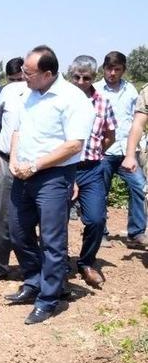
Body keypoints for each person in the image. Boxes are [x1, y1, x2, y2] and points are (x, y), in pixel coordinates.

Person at [5, 45, 93, 324]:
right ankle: (34, 281)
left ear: (48, 73)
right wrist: (15, 159)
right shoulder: (27, 95)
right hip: (23, 175)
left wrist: (35, 165)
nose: (23, 75)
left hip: (53, 178)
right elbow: (18, 130)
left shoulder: (73, 99)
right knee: (18, 232)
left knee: (53, 241)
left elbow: (73, 145)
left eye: (28, 72)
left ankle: (49, 298)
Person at [68, 55, 116, 289]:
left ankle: (86, 262)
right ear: (70, 75)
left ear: (93, 78)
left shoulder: (103, 103)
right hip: (64, 169)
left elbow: (110, 135)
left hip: (92, 169)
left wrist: (96, 152)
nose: (80, 81)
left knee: (96, 219)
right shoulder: (61, 100)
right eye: (76, 77)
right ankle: (56, 263)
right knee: (54, 220)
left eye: (86, 77)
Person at [0, 57, 27, 284]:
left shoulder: (45, 95)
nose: (18, 82)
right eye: (13, 79)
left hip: (35, 165)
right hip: (4, 159)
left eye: (21, 78)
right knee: (0, 218)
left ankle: (33, 267)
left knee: (31, 218)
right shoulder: (2, 93)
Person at [96, 51, 147, 245]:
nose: (113, 73)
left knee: (139, 187)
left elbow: (138, 119)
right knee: (99, 192)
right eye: (109, 68)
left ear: (123, 70)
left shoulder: (132, 90)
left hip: (127, 152)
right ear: (104, 69)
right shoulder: (95, 89)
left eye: (117, 69)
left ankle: (136, 232)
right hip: (104, 150)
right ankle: (99, 233)